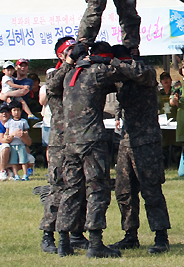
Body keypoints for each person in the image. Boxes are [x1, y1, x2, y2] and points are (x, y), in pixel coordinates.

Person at [56, 41, 140, 259]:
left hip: (70, 142)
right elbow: (127, 72)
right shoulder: (97, 72)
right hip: (92, 141)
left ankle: (64, 242)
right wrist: (108, 59)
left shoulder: (69, 75)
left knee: (72, 189)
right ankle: (95, 242)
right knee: (97, 189)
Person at [110, 45, 171, 254]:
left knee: (151, 190)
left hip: (146, 141)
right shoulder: (122, 79)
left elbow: (140, 74)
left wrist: (116, 63)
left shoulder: (144, 71)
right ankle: (130, 234)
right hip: (126, 140)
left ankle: (161, 236)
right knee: (124, 190)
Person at [39, 37, 89, 255]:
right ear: (61, 55)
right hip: (61, 142)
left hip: (80, 139)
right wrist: (69, 62)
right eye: (69, 51)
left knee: (81, 188)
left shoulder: (80, 73)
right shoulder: (55, 74)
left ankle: (77, 233)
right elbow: (51, 87)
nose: (74, 54)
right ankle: (48, 234)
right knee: (58, 188)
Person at [5, 100, 34, 180]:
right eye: (14, 110)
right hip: (12, 144)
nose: (16, 112)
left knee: (23, 160)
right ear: (11, 112)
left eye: (18, 110)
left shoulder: (23, 121)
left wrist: (23, 134)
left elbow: (27, 132)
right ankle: (16, 175)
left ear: (21, 111)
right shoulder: (9, 122)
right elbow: (7, 132)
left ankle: (25, 174)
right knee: (14, 161)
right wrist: (9, 136)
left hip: (21, 144)